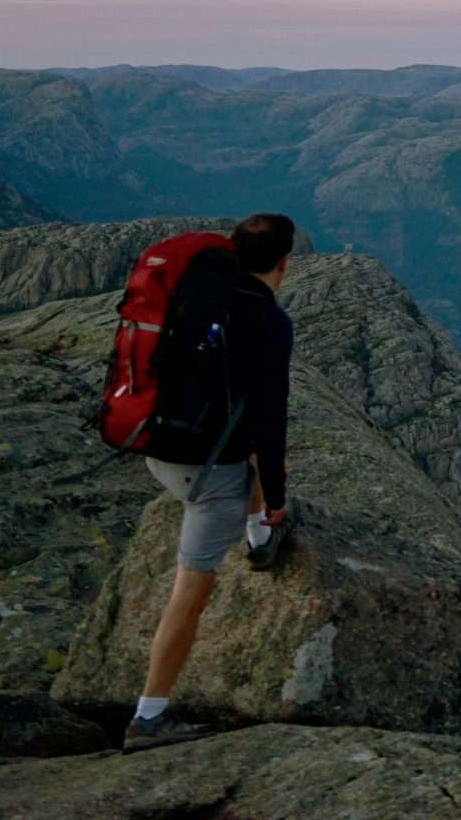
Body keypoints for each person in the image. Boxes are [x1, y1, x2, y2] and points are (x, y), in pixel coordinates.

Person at [123, 212, 297, 752]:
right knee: (190, 592)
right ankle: (149, 717)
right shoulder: (267, 320)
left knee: (249, 455)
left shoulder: (199, 296)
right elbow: (270, 419)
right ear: (284, 263)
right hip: (204, 475)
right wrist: (277, 499)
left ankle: (259, 539)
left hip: (157, 449)